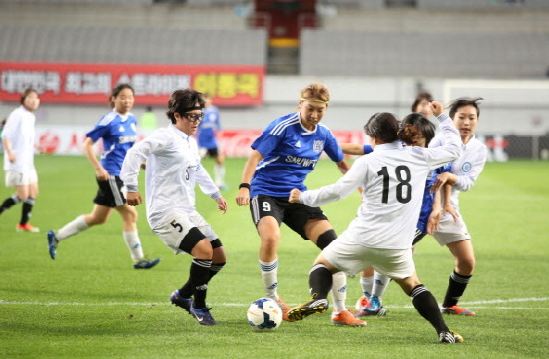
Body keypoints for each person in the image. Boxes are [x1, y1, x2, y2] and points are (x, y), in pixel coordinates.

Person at [286, 105, 464, 343]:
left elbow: (338, 192)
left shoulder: (368, 161)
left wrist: (303, 197)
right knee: (412, 284)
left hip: (362, 237)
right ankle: (444, 331)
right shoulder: (420, 156)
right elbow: (455, 149)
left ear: (374, 137)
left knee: (323, 264)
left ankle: (319, 297)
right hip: (398, 244)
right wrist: (442, 116)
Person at [235, 82, 365, 327]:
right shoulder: (282, 127)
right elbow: (255, 156)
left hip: (297, 196)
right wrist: (245, 187)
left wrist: (360, 188)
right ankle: (273, 298)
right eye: (310, 108)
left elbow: (342, 163)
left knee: (333, 246)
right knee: (271, 238)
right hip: (266, 192)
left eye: (320, 109)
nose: (314, 115)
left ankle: (340, 310)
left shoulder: (323, 134)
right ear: (300, 104)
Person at [121, 89, 228, 326]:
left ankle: (181, 296)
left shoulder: (190, 141)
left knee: (219, 257)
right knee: (204, 250)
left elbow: (198, 169)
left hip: (187, 209)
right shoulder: (165, 137)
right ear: (177, 115)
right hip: (164, 211)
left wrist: (215, 194)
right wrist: (130, 186)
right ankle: (198, 306)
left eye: (200, 116)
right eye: (192, 116)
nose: (197, 121)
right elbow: (135, 151)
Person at [46, 84, 160, 269]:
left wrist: (138, 163)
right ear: (114, 98)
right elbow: (87, 145)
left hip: (122, 172)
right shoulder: (108, 120)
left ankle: (56, 237)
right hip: (111, 175)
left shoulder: (131, 119)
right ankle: (139, 259)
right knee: (130, 213)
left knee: (98, 218)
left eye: (130, 97)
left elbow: (127, 149)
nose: (127, 101)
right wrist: (99, 168)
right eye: (123, 97)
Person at [427, 97, 487, 316]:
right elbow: (432, 175)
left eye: (471, 118)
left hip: (448, 208)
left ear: (477, 122)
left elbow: (467, 183)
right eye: (461, 117)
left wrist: (451, 177)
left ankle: (450, 304)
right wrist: (436, 203)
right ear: (452, 120)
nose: (466, 122)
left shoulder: (478, 150)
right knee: (396, 254)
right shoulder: (438, 140)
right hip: (422, 206)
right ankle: (372, 300)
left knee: (466, 261)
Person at [0, 88, 42, 233]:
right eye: (30, 98)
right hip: (17, 162)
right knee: (23, 195)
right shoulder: (17, 114)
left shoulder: (31, 116)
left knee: (33, 192)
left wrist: (36, 146)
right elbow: (6, 135)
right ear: (23, 100)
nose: (33, 100)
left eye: (36, 98)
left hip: (28, 162)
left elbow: (26, 137)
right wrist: (10, 153)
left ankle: (23, 224)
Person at [197, 96, 227, 190]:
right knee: (197, 161)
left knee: (219, 159)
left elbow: (217, 123)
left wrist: (220, 131)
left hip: (212, 140)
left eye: (207, 100)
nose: (206, 102)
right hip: (202, 140)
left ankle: (219, 182)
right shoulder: (199, 111)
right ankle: (191, 181)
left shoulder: (214, 110)